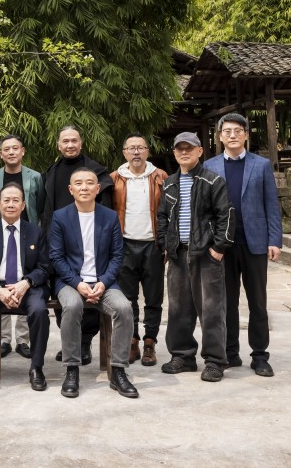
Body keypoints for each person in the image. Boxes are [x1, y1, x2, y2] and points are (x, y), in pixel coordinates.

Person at [203, 113, 282, 377]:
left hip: (254, 242)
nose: (233, 135)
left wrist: (274, 240)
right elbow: (205, 209)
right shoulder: (210, 166)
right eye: (227, 131)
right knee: (226, 303)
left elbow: (272, 204)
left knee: (257, 302)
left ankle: (259, 356)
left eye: (238, 130)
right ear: (220, 136)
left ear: (246, 135)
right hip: (223, 246)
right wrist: (209, 242)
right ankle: (230, 352)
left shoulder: (261, 165)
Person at [49, 168, 138, 399]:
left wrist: (104, 282)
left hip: (103, 282)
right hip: (70, 282)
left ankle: (118, 371)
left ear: (98, 188)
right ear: (71, 189)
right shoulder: (60, 217)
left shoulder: (109, 217)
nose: (84, 187)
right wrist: (78, 283)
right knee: (72, 306)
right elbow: (56, 257)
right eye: (78, 183)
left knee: (124, 308)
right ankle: (72, 369)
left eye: (90, 183)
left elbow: (117, 255)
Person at [156, 132, 234, 383]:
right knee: (179, 308)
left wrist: (218, 248)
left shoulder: (213, 181)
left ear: (200, 151)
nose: (184, 152)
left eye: (189, 148)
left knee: (211, 309)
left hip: (206, 254)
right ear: (174, 153)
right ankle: (183, 356)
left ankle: (214, 361)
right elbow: (162, 216)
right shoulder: (169, 183)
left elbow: (226, 215)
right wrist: (165, 245)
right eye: (179, 149)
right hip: (178, 254)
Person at [41, 126, 113, 365]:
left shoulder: (96, 172)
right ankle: (70, 342)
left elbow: (106, 212)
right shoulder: (51, 173)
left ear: (81, 143)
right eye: (65, 141)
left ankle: (84, 343)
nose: (70, 145)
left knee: (90, 298)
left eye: (74, 140)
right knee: (64, 298)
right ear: (59, 145)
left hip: (90, 247)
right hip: (59, 247)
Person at [0, 182, 50, 392]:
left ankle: (37, 367)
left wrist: (26, 282)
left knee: (39, 311)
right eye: (6, 200)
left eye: (16, 200)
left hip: (27, 286)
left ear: (23, 205)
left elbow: (44, 267)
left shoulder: (36, 232)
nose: (11, 204)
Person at [110, 132, 168, 366]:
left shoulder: (160, 177)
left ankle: (150, 342)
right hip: (124, 245)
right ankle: (132, 340)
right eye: (131, 148)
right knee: (128, 299)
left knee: (153, 298)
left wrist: (166, 242)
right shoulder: (115, 179)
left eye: (140, 148)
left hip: (153, 245)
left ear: (147, 151)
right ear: (124, 152)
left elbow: (169, 212)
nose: (136, 152)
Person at [0, 134, 45, 359]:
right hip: (2, 234)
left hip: (28, 235)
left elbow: (39, 206)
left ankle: (23, 339)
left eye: (16, 148)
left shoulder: (35, 177)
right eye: (7, 149)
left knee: (24, 282)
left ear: (23, 151)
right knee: (4, 280)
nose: (11, 152)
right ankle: (4, 339)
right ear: (1, 154)